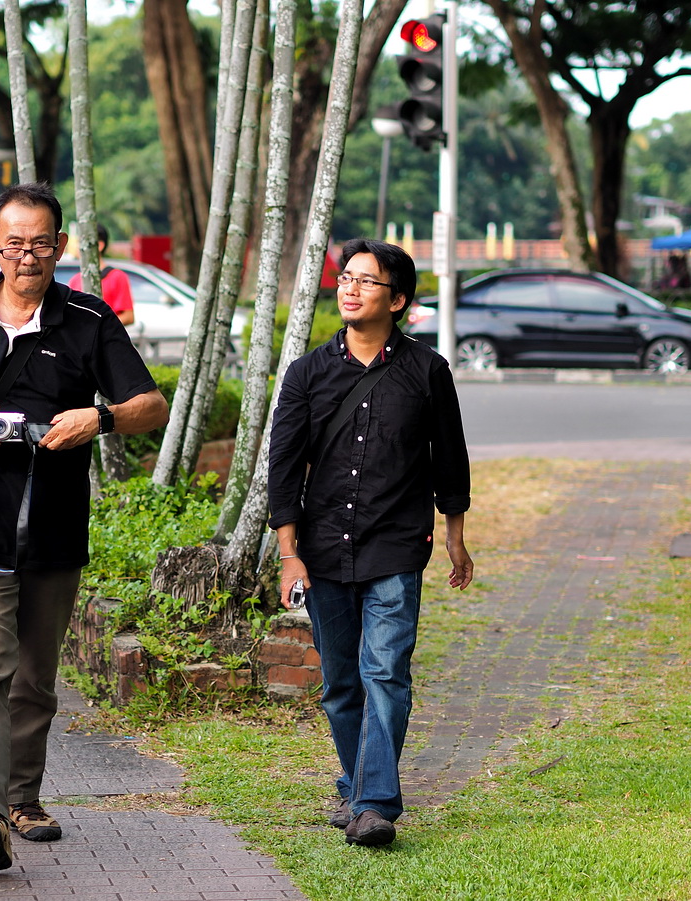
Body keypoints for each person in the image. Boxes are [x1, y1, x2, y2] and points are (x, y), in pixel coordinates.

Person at [0, 182, 169, 872]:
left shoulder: (87, 318)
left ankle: (24, 796)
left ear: (61, 248)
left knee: (36, 676)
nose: (27, 255)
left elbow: (150, 404)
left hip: (52, 524)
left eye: (40, 242)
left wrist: (96, 418)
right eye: (13, 243)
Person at [267, 238, 473, 848]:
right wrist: (288, 552)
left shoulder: (427, 371)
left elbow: (450, 459)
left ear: (399, 299)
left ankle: (375, 803)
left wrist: (457, 537)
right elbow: (283, 467)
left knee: (385, 671)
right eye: (346, 278)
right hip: (325, 546)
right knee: (341, 684)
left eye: (366, 281)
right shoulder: (308, 373)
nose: (350, 288)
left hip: (396, 545)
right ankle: (358, 792)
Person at [66, 223, 134, 326]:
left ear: (99, 245)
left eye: (83, 242)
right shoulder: (75, 280)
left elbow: (128, 316)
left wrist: (101, 328)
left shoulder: (117, 277)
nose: (78, 247)